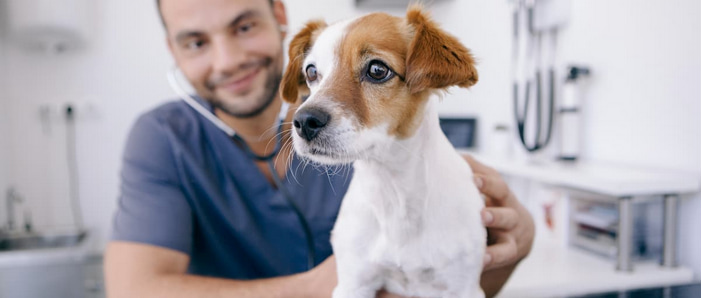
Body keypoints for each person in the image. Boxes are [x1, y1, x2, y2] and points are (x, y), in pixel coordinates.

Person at [104, 0, 535, 297]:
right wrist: (331, 282)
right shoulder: (162, 138)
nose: (228, 59)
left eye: (244, 26)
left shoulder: (417, 161)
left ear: (278, 15)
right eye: (196, 41)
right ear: (173, 50)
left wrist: (517, 243)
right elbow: (133, 291)